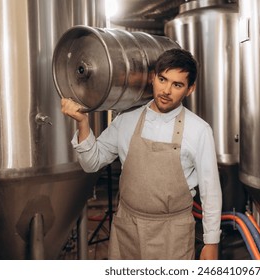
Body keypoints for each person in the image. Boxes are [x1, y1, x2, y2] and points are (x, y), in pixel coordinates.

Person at [61, 48, 222, 260]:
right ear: (153, 78)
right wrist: (83, 123)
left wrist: (211, 242)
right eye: (163, 79)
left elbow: (210, 191)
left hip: (173, 232)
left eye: (177, 85)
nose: (166, 90)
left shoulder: (199, 130)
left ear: (190, 89)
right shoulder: (126, 120)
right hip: (127, 227)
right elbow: (92, 163)